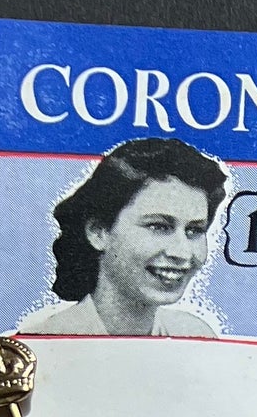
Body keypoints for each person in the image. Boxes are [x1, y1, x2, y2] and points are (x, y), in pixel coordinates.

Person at [19, 137, 228, 337]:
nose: (182, 253)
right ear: (98, 232)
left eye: (194, 230)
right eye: (158, 226)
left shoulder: (195, 335)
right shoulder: (42, 343)